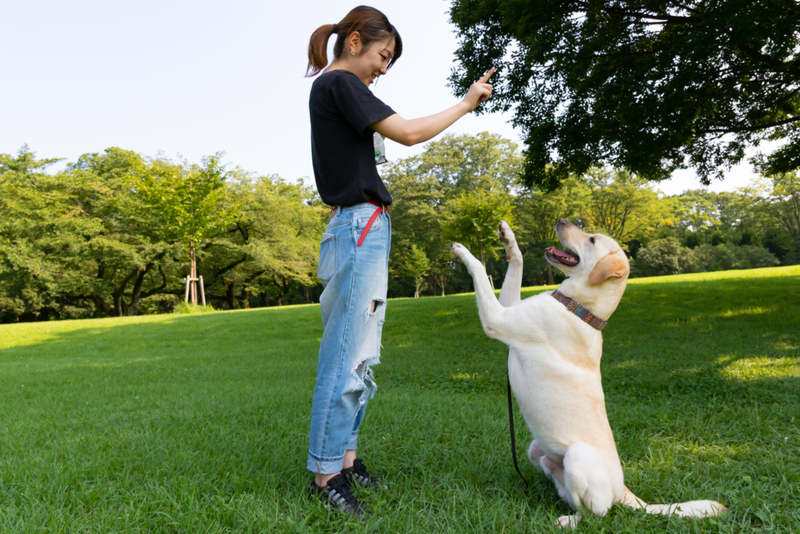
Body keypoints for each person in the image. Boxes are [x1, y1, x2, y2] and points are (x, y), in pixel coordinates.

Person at [305, 5, 494, 516]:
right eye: (383, 56)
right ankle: (325, 476)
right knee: (346, 355)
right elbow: (407, 133)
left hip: (367, 225)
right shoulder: (340, 84)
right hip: (357, 225)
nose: (383, 68)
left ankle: (345, 459)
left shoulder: (342, 89)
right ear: (354, 41)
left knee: (364, 357)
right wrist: (467, 102)